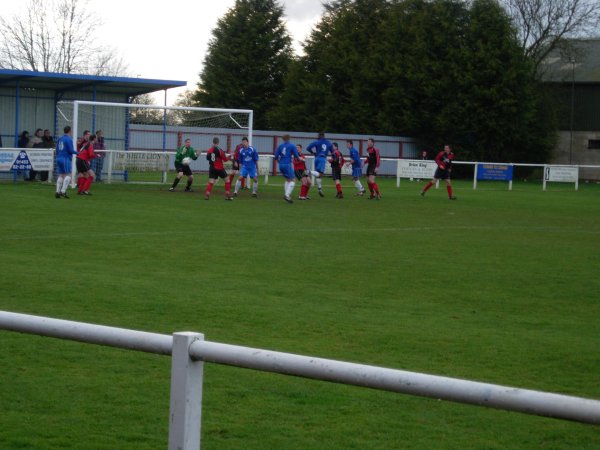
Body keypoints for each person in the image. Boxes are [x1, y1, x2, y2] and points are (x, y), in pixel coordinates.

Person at [274, 134, 300, 203]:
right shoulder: (292, 146)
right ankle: (287, 195)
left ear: (283, 139)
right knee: (293, 180)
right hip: (287, 164)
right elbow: (296, 155)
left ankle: (287, 196)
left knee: (288, 179)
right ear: (289, 138)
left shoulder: (280, 146)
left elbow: (276, 156)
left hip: (281, 165)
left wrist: (279, 162)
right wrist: (300, 159)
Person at [306, 132, 333, 197]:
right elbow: (333, 152)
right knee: (320, 174)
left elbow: (308, 148)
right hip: (322, 159)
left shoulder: (317, 142)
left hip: (317, 158)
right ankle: (308, 171)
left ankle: (320, 189)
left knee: (318, 175)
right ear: (324, 136)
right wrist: (333, 158)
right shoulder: (328, 143)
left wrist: (313, 153)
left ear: (319, 136)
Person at [54, 126, 77, 198]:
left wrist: (58, 157)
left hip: (58, 158)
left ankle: (57, 192)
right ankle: (63, 192)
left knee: (61, 174)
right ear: (70, 131)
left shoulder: (60, 138)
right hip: (65, 158)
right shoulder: (69, 139)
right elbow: (70, 150)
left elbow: (57, 149)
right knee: (69, 174)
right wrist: (78, 153)